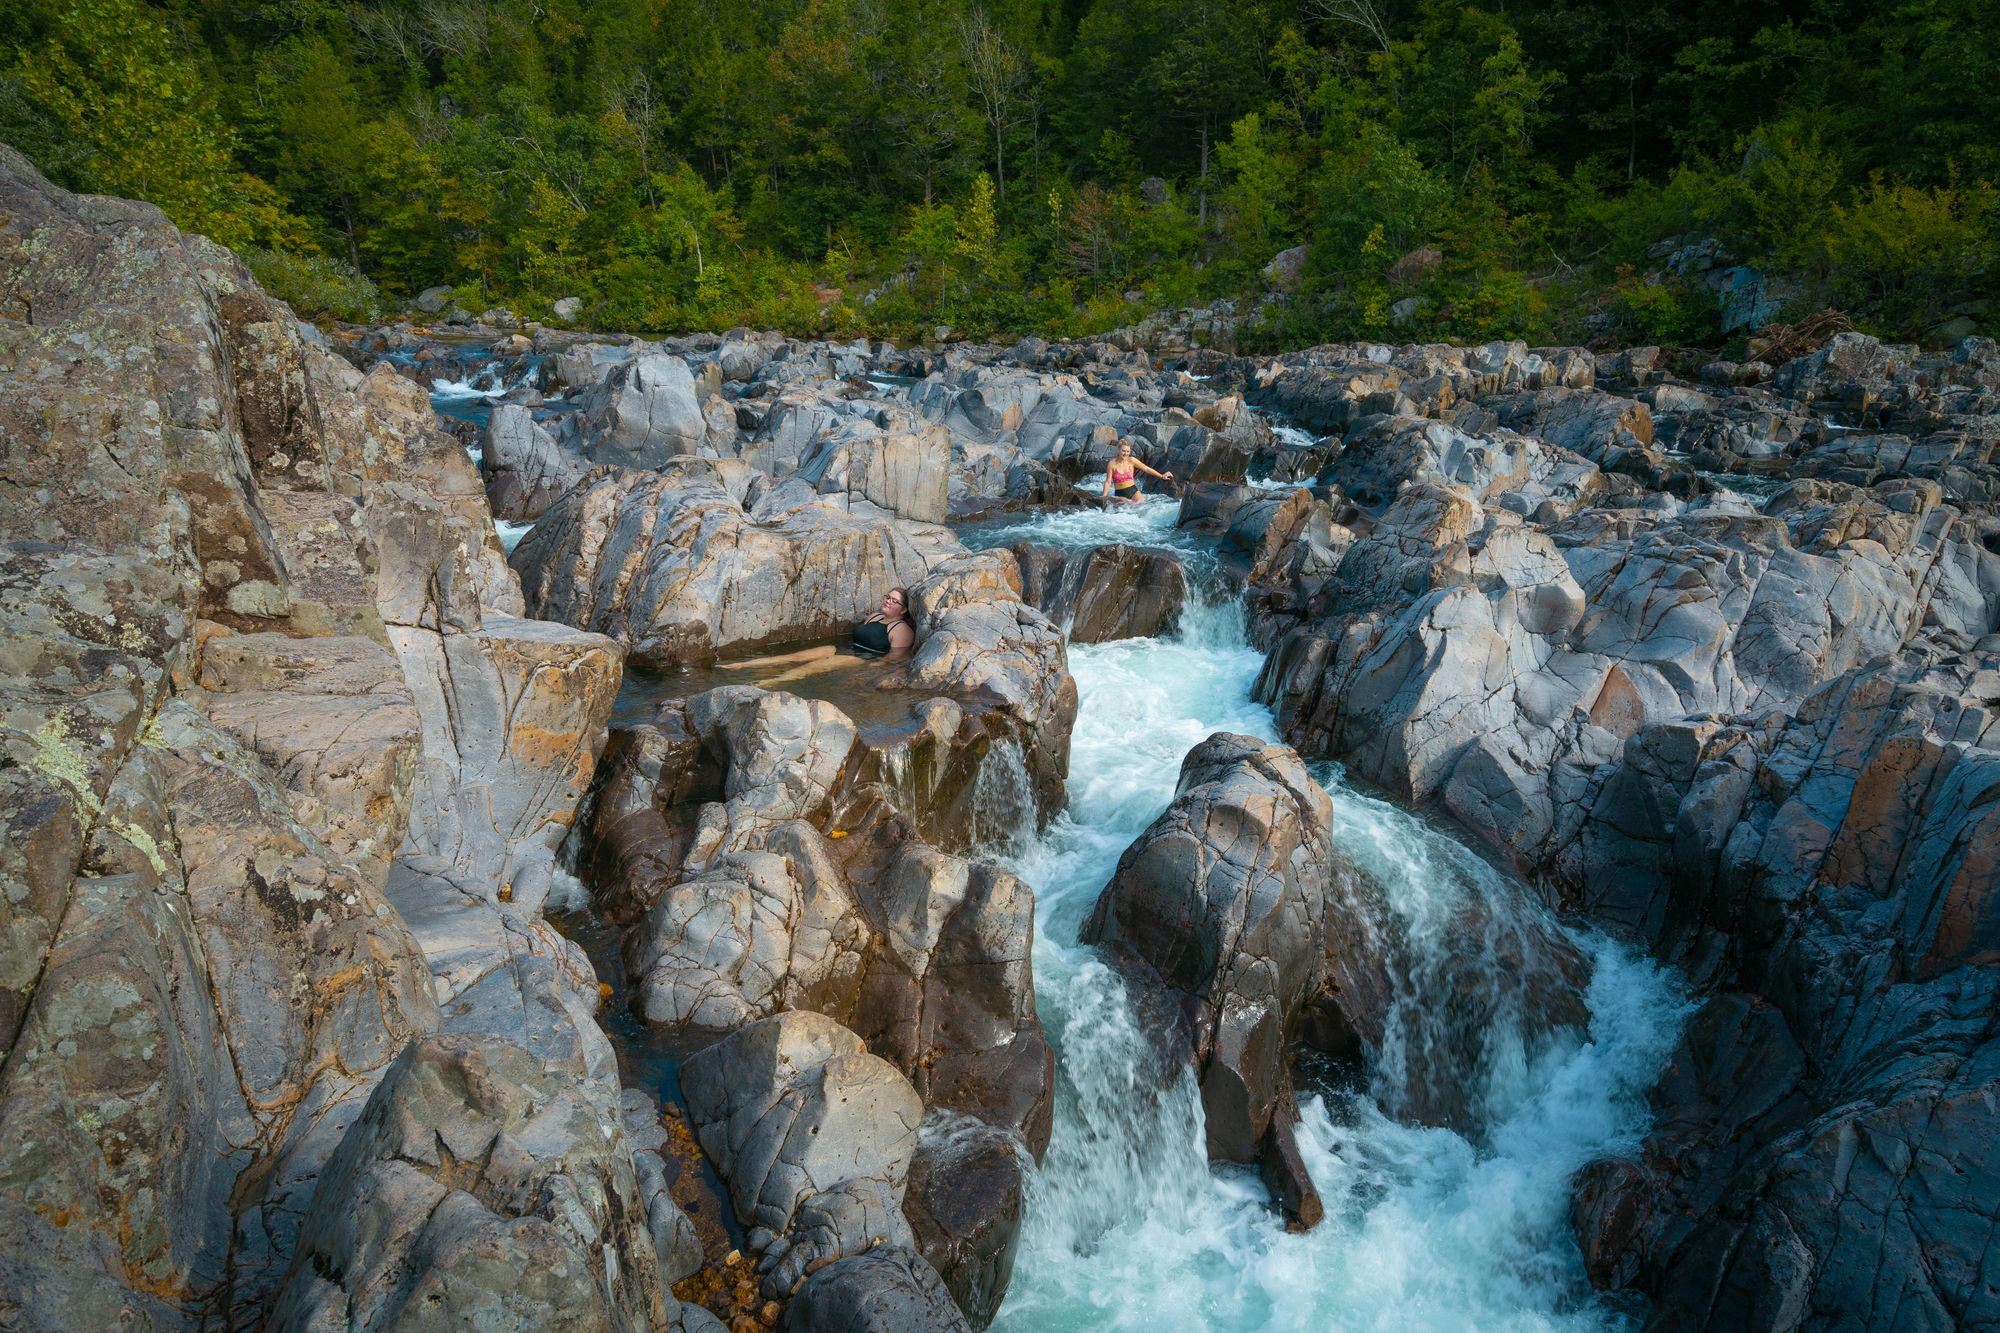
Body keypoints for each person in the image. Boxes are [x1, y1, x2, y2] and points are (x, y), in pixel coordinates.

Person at [1101, 439, 1173, 505]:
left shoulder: (1132, 460)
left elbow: (1146, 469)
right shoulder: (1112, 464)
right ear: (1118, 450)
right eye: (1123, 451)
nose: (1125, 453)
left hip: (1133, 490)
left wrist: (1161, 476)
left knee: (1141, 505)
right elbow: (1108, 482)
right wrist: (1103, 498)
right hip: (1120, 493)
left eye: (1128, 451)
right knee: (1127, 505)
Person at [852, 588, 915, 658]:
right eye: (888, 597)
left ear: (903, 610)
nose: (888, 601)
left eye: (894, 601)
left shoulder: (902, 630)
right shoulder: (874, 616)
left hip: (867, 661)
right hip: (851, 653)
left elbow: (894, 658)